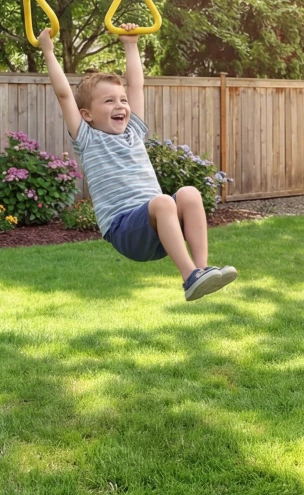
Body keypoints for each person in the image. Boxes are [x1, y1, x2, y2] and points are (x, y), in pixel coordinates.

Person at [37, 23, 237, 301]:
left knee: (190, 193)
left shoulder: (133, 131)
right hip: (124, 231)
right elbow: (63, 94)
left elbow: (136, 85)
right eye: (109, 101)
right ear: (87, 114)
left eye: (122, 100)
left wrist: (131, 44)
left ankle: (202, 270)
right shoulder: (87, 137)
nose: (120, 105)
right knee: (163, 201)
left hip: (158, 229)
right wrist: (48, 51)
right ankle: (189, 276)